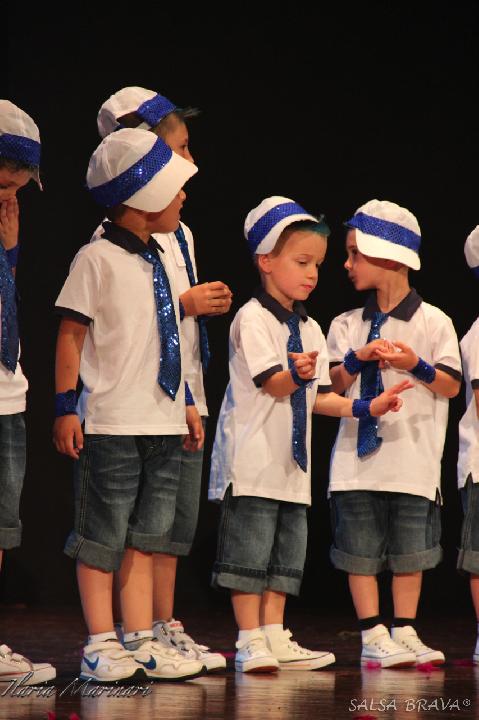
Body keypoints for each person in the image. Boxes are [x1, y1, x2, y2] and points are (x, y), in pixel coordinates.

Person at [209, 196, 411, 672]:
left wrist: (366, 407)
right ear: (266, 261)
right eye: (301, 262)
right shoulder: (253, 318)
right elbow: (276, 384)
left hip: (290, 467)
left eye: (317, 264)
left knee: (285, 553)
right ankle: (249, 638)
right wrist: (297, 374)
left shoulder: (311, 327)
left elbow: (320, 398)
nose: (313, 274)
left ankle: (274, 633)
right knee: (249, 553)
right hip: (254, 461)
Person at [53, 128, 204, 681]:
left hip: (160, 418)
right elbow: (71, 335)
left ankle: (139, 636)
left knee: (146, 536)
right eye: (173, 188)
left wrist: (185, 403)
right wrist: (65, 406)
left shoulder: (161, 257)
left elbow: (170, 339)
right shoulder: (96, 258)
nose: (183, 196)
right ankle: (100, 642)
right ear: (141, 199)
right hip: (112, 421)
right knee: (102, 535)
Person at [95, 86, 231, 670]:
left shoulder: (182, 231)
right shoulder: (110, 241)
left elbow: (181, 337)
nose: (190, 160)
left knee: (172, 525)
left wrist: (193, 397)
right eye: (180, 149)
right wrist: (185, 303)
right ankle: (132, 632)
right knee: (136, 524)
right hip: (136, 403)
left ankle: (162, 624)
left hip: (181, 395)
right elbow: (124, 320)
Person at [327, 199, 461, 667]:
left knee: (411, 552)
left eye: (354, 254)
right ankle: (372, 633)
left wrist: (415, 364)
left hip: (412, 460)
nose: (346, 264)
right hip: (355, 462)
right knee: (359, 551)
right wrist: (358, 357)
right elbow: (330, 385)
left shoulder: (434, 321)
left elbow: (451, 384)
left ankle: (404, 628)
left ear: (387, 256)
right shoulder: (346, 324)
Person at [0, 99, 56, 684]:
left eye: (17, 190)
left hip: (7, 393)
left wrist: (10, 250)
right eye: (1, 185)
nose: (8, 198)